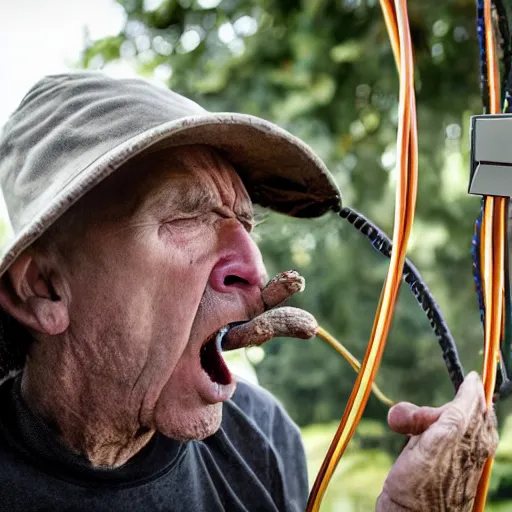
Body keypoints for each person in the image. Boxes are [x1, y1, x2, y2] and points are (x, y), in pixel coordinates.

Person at [0, 72, 498, 511]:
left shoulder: (262, 435)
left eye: (245, 223)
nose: (254, 269)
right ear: (43, 290)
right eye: (186, 218)